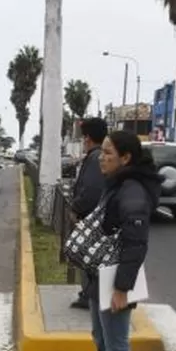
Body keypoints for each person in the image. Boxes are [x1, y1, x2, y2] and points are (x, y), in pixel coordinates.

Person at [78, 130, 159, 351]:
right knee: (101, 340)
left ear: (125, 158)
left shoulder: (132, 189)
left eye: (109, 153)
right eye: (102, 151)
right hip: (99, 273)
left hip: (114, 277)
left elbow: (136, 242)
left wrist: (122, 288)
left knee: (116, 345)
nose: (102, 157)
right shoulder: (116, 182)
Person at [68, 117, 108, 309]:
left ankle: (89, 297)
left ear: (88, 138)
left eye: (84, 137)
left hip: (92, 220)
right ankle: (89, 295)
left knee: (89, 259)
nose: (83, 142)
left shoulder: (95, 158)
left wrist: (76, 208)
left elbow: (91, 190)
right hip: (98, 219)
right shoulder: (98, 156)